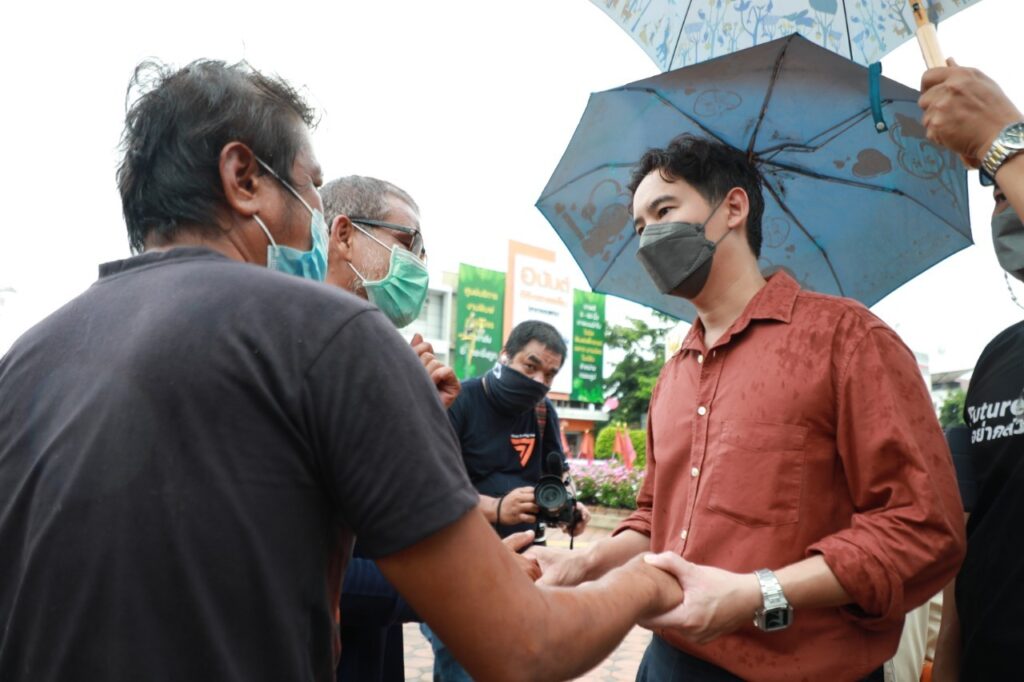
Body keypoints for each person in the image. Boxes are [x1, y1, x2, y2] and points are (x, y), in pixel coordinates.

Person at [0, 59, 692, 682]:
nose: (317, 214)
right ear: (243, 178)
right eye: (310, 187)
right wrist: (650, 582)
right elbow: (521, 647)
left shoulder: (26, 359)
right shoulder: (330, 335)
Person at [530, 134, 966, 681]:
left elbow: (922, 528)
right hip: (667, 661)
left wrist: (758, 592)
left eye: (663, 211)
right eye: (638, 227)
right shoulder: (673, 375)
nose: (647, 239)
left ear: (733, 208)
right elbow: (654, 516)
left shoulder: (846, 340)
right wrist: (583, 562)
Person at [319, 175, 535, 682]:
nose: (418, 264)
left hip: (373, 650)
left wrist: (419, 415)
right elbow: (313, 565)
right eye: (408, 243)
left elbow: (392, 510)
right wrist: (471, 584)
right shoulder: (306, 358)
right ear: (344, 235)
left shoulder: (373, 359)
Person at [919, 61, 1024, 681]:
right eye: (991, 186)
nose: (997, 195)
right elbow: (972, 548)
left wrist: (1002, 137)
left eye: (1004, 181)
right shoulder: (998, 357)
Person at [422, 319, 592, 681]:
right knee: (463, 668)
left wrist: (568, 511)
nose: (539, 381)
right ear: (504, 355)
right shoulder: (459, 401)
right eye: (530, 366)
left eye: (549, 375)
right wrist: (496, 508)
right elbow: (431, 488)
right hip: (463, 567)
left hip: (526, 571)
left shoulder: (543, 412)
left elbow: (555, 478)